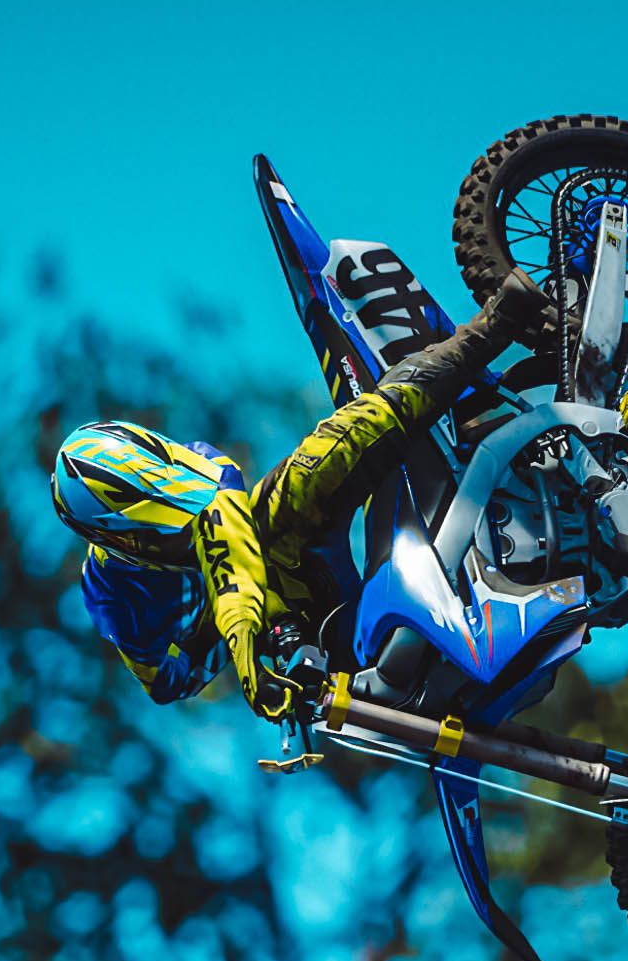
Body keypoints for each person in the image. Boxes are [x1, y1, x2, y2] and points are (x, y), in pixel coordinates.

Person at [49, 274, 548, 719]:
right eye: (159, 525)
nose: (178, 521)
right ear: (119, 542)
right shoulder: (115, 598)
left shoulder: (192, 462)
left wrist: (243, 644)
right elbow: (167, 683)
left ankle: (490, 329)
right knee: (339, 660)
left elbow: (227, 534)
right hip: (297, 621)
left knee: (315, 464)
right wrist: (247, 652)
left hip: (274, 551)